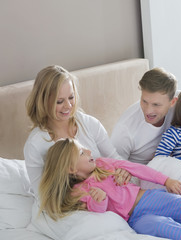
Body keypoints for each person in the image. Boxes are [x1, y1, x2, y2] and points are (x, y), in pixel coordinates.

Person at [39, 138, 181, 240]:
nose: (89, 152)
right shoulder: (76, 192)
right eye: (82, 153)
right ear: (70, 169)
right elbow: (98, 211)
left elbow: (136, 169)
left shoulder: (103, 164)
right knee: (159, 228)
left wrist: (165, 181)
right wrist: (99, 199)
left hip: (149, 199)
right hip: (133, 218)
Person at [24, 65, 130, 203]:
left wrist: (123, 171)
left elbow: (115, 159)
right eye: (59, 101)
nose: (68, 106)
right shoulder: (36, 144)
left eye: (71, 97)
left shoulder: (90, 124)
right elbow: (43, 196)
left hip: (109, 199)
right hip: (71, 206)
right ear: (44, 102)